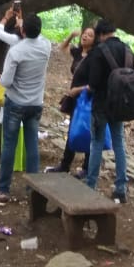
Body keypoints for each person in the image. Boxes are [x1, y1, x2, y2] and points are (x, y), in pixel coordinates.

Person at [0, 12, 51, 204]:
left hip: (16, 103)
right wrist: (23, 23)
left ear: (22, 30)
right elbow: (36, 35)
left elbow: (7, 81)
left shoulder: (16, 51)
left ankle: (3, 189)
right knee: (32, 145)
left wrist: (1, 77)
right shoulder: (46, 46)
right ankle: (33, 190)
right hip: (35, 103)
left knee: (9, 145)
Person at [84, 19, 129, 203]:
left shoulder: (99, 51)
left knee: (96, 143)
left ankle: (91, 185)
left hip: (101, 106)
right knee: (119, 144)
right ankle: (121, 189)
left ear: (101, 34)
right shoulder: (126, 49)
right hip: (120, 107)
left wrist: (88, 90)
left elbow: (93, 83)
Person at [46, 26, 96, 176]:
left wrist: (78, 90)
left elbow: (95, 83)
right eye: (84, 34)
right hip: (75, 100)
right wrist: (71, 36)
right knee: (72, 130)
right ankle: (65, 164)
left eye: (90, 35)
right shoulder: (78, 53)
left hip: (87, 99)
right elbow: (62, 47)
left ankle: (86, 168)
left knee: (87, 131)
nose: (85, 36)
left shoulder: (94, 58)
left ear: (95, 40)